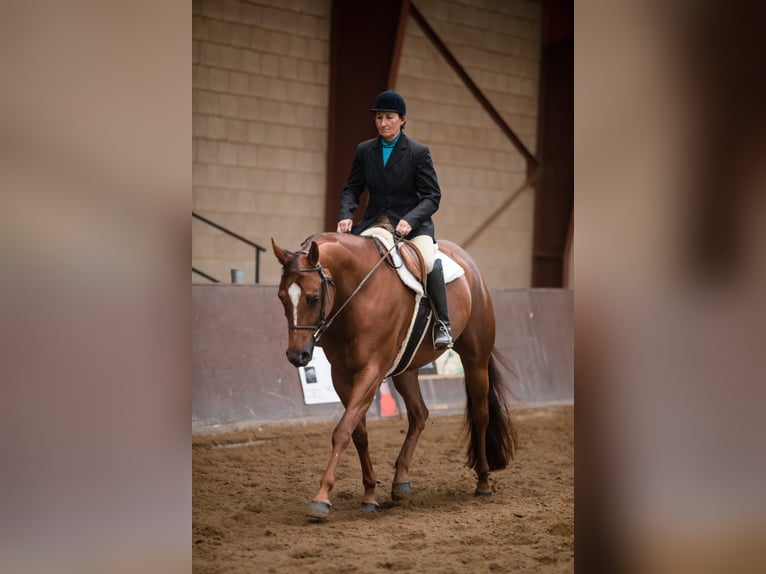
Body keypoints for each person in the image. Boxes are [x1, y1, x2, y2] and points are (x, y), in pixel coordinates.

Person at [336, 90, 453, 350]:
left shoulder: (418, 152)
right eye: (379, 118)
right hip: (374, 223)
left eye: (389, 117)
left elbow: (432, 196)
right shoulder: (365, 150)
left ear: (402, 120)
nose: (382, 123)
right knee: (348, 261)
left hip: (411, 225)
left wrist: (411, 219)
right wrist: (345, 215)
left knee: (427, 260)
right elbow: (352, 188)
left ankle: (442, 323)